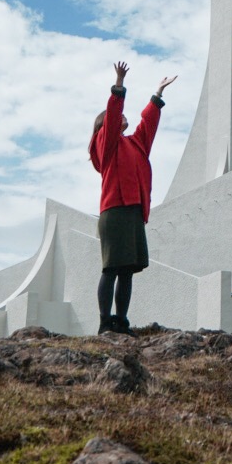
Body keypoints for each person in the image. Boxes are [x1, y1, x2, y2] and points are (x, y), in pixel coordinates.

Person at [89, 60, 176, 335]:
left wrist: (157, 94)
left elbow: (148, 124)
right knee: (111, 269)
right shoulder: (106, 144)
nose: (122, 118)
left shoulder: (135, 144)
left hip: (134, 212)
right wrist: (119, 84)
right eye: (115, 118)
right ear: (104, 125)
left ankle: (121, 322)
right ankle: (105, 323)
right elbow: (114, 115)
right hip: (114, 212)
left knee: (127, 271)